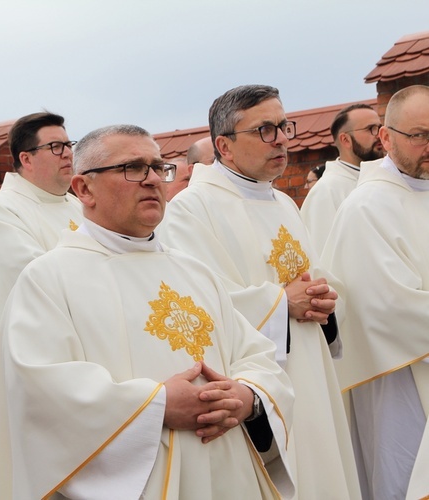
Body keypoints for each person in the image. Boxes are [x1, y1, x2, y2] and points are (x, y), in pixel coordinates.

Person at [0, 125, 295, 499]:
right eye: (132, 168)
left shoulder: (194, 270)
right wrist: (157, 406)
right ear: (84, 189)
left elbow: (255, 354)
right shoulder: (48, 279)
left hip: (229, 474)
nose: (152, 180)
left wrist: (247, 397)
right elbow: (43, 394)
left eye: (158, 167)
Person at [161, 85, 360, 499]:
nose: (283, 139)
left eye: (283, 126)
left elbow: (308, 277)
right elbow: (198, 303)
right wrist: (281, 302)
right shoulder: (192, 208)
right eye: (265, 130)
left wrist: (324, 299)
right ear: (224, 146)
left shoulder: (284, 202)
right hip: (259, 386)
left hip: (311, 370)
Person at [0, 111, 83, 495]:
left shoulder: (77, 206)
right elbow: (34, 281)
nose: (67, 154)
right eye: (56, 147)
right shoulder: (1, 212)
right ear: (26, 159)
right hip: (37, 370)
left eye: (69, 145)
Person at [321, 85, 429, 500]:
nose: (428, 145)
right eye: (419, 135)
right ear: (386, 138)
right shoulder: (367, 206)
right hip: (401, 379)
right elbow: (388, 307)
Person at [300, 104, 384, 253]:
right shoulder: (326, 191)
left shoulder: (384, 180)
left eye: (380, 127)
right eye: (370, 129)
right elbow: (322, 255)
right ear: (345, 140)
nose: (379, 134)